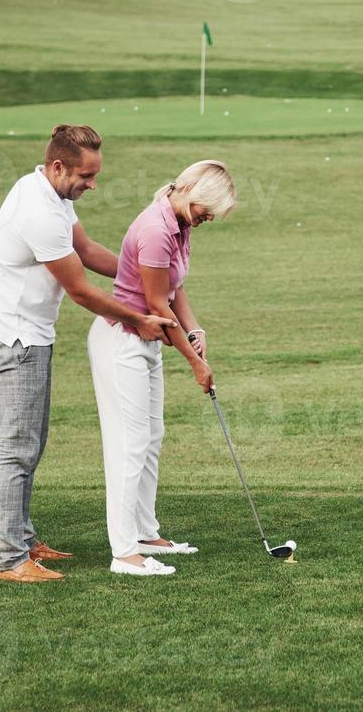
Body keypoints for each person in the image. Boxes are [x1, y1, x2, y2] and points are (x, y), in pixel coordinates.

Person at [0, 125, 175, 584]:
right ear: (58, 166)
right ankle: (9, 560)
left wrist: (145, 274)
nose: (93, 184)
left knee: (30, 446)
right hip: (12, 340)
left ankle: (22, 539)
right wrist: (138, 318)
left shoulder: (51, 195)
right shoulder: (36, 210)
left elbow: (84, 249)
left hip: (29, 336)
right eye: (86, 175)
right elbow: (80, 290)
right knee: (16, 451)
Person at [87, 160, 237, 577]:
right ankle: (124, 552)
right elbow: (156, 305)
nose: (207, 219)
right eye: (205, 210)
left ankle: (145, 533)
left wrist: (196, 330)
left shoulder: (179, 225)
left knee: (151, 436)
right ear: (189, 191)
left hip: (146, 341)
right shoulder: (155, 230)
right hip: (122, 342)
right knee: (129, 445)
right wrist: (195, 364)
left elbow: (176, 287)